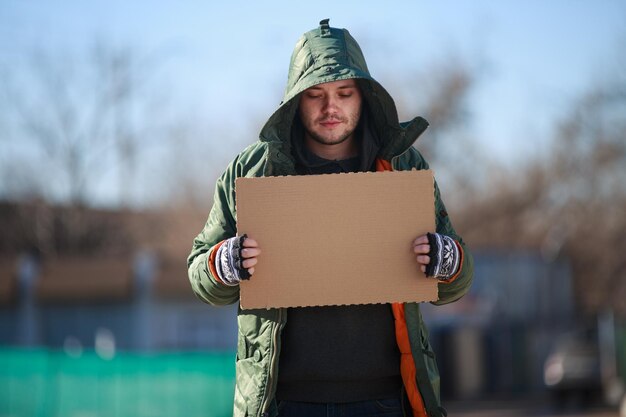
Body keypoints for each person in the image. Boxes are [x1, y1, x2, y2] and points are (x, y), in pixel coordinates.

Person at [188, 19, 474, 417]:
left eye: (344, 93)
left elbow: (457, 280)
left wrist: (446, 259)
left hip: (387, 400)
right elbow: (200, 273)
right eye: (315, 95)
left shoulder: (401, 165)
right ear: (294, 100)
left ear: (364, 96)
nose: (330, 108)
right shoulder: (253, 170)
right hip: (282, 402)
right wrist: (224, 262)